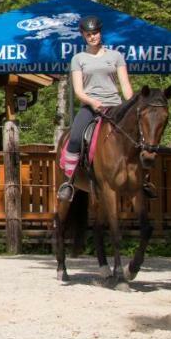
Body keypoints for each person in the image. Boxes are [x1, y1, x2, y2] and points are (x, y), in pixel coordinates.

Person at [57, 14, 156, 202]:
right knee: (76, 137)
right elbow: (78, 90)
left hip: (115, 106)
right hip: (91, 106)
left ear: (100, 33)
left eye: (95, 33)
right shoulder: (79, 59)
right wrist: (94, 103)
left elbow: (125, 85)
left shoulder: (116, 56)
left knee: (140, 135)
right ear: (83, 35)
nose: (93, 37)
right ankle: (69, 182)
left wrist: (132, 104)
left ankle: (144, 180)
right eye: (88, 34)